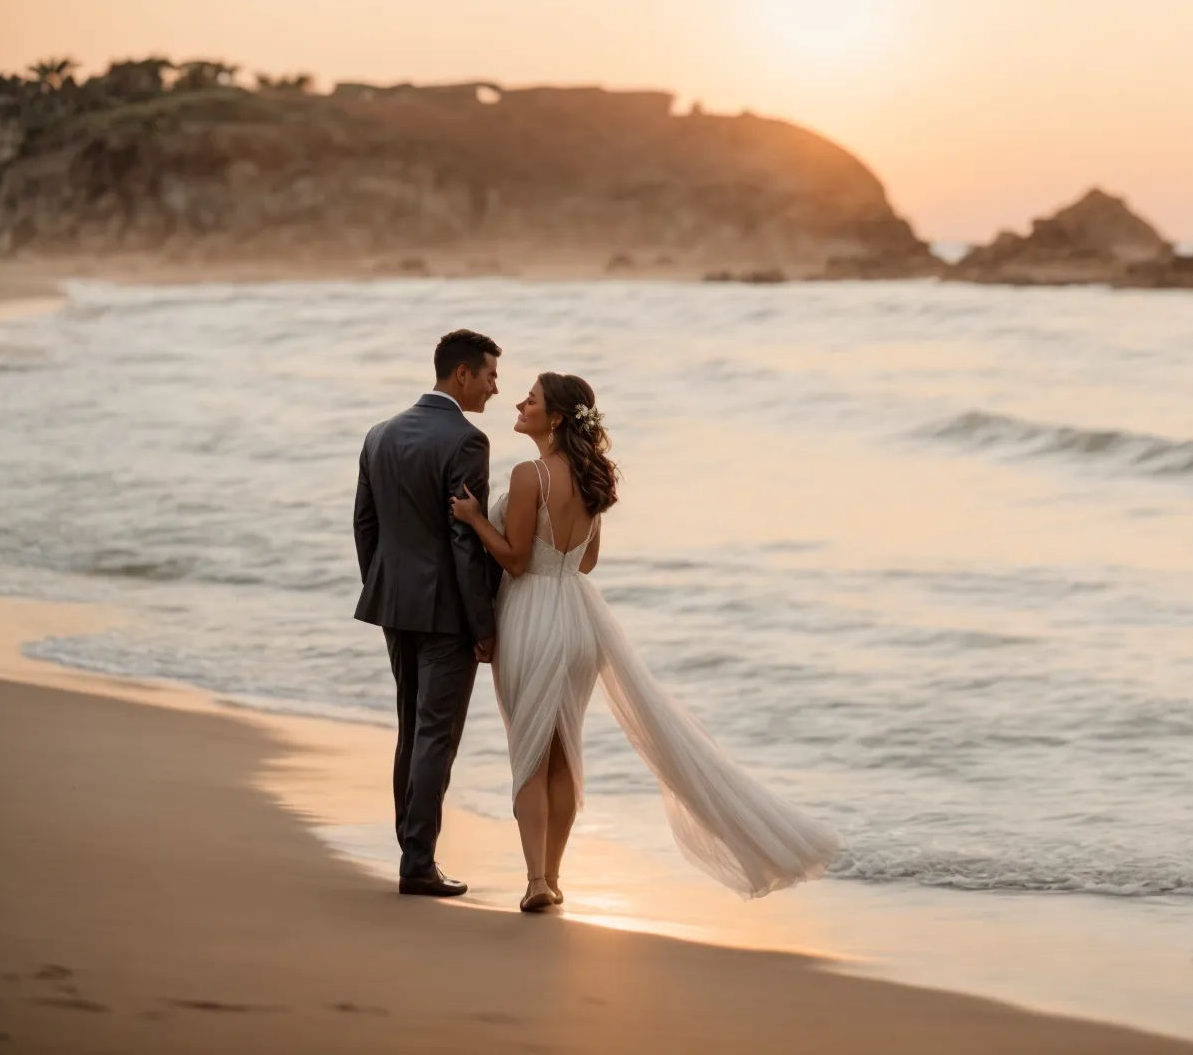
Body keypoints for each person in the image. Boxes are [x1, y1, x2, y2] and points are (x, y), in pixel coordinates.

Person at [450, 371, 838, 911]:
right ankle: (554, 878)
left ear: (555, 418)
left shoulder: (527, 475)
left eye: (531, 399)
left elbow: (514, 559)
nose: (519, 401)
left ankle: (537, 880)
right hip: (580, 619)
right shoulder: (592, 476)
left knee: (530, 754)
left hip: (532, 616)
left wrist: (473, 519)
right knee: (563, 753)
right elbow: (586, 560)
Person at [353, 329, 503, 898]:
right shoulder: (467, 441)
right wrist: (483, 626)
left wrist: (384, 585)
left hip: (394, 603)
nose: (495, 387)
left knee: (411, 728)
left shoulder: (380, 434)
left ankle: (412, 851)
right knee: (436, 734)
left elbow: (365, 524)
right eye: (490, 375)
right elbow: (464, 543)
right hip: (446, 613)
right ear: (461, 374)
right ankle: (418, 863)